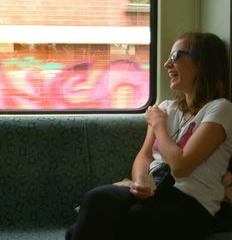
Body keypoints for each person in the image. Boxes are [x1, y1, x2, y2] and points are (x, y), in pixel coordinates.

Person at [65, 32, 232, 240]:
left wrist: (160, 125)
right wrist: (140, 183)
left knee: (111, 224)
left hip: (193, 202)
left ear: (202, 62)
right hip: (156, 193)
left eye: (175, 56)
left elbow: (181, 167)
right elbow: (144, 156)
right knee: (96, 199)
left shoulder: (220, 109)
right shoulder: (165, 108)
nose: (166, 65)